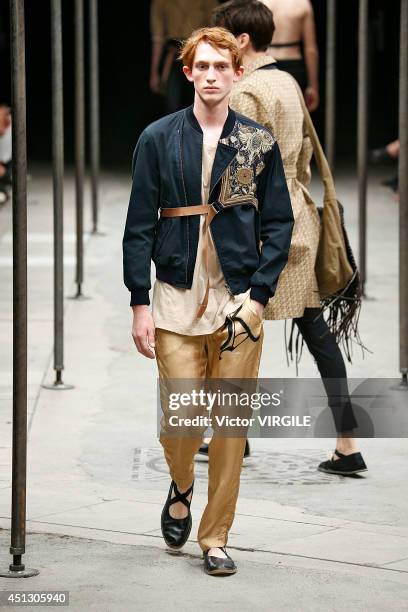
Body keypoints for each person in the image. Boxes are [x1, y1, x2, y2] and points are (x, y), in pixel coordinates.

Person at [123, 26, 294, 575]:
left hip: (237, 298)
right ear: (189, 72)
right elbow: (138, 225)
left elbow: (279, 223)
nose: (213, 75)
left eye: (223, 66)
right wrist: (139, 302)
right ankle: (180, 481)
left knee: (230, 425)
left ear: (238, 73)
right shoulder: (157, 137)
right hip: (175, 293)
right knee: (181, 417)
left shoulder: (256, 142)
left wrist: (259, 298)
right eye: (204, 67)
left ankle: (215, 536)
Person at [211, 0, 368, 476]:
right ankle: (346, 442)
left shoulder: (246, 92)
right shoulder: (286, 81)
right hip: (298, 218)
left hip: (260, 227)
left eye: (221, 41)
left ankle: (234, 439)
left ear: (240, 42)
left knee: (234, 328)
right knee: (315, 332)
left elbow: (242, 177)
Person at [150, 0, 219, 113]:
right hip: (174, 59)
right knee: (172, 109)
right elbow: (158, 38)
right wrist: (154, 71)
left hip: (200, 57)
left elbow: (216, 31)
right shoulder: (161, 2)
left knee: (202, 107)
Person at [259, 0, 319, 111]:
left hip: (265, 62)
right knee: (292, 116)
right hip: (293, 66)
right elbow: (310, 50)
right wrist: (313, 86)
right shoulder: (303, 4)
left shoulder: (261, 2)